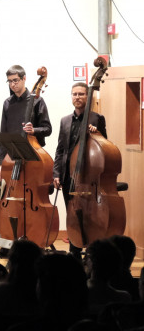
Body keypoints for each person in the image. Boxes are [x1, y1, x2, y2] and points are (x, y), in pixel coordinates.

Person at [52, 82, 107, 256]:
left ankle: (92, 251)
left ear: (87, 97)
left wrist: (96, 133)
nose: (77, 97)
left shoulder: (97, 118)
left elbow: (105, 146)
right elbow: (60, 149)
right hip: (70, 176)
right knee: (73, 213)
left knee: (91, 215)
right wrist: (56, 173)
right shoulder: (65, 120)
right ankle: (74, 250)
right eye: (74, 94)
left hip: (88, 176)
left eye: (81, 94)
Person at [0, 65, 52, 162]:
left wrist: (33, 130)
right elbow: (4, 134)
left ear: (24, 78)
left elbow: (48, 129)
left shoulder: (37, 101)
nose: (12, 84)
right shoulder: (7, 103)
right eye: (9, 81)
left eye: (15, 80)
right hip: (12, 158)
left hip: (33, 156)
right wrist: (2, 162)